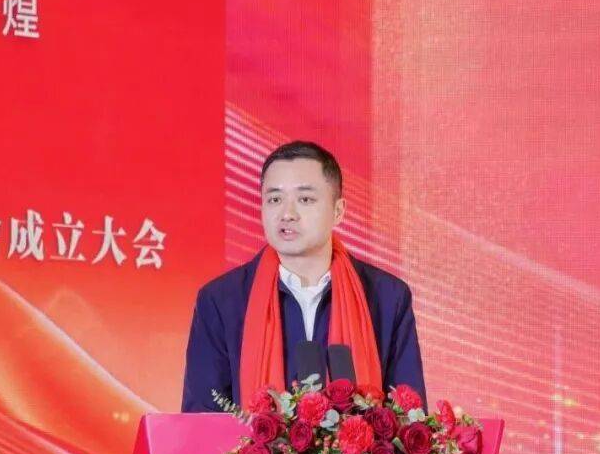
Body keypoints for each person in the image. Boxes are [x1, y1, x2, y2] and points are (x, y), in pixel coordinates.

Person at [181, 141, 426, 411]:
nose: (287, 214)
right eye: (275, 199)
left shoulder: (387, 297)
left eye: (305, 199)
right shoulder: (220, 301)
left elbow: (411, 417)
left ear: (338, 211)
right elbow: (201, 419)